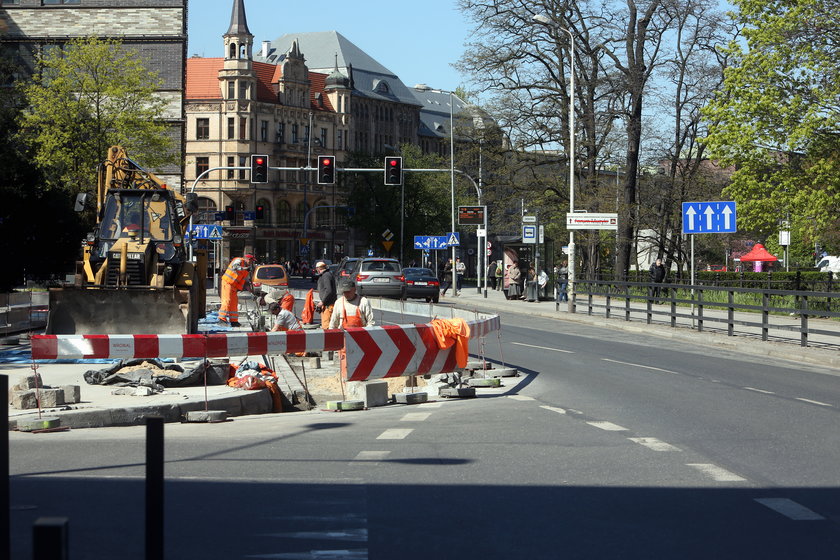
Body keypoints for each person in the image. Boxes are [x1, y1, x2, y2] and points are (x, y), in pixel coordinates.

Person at [219, 253, 254, 327]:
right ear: (248, 259)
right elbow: (235, 267)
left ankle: (234, 321)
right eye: (251, 260)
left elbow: (246, 283)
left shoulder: (246, 269)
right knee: (227, 301)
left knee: (234, 303)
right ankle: (222, 319)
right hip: (227, 283)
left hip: (234, 287)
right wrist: (245, 268)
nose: (251, 262)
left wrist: (252, 292)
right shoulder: (239, 260)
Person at [314, 261, 337, 329]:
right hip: (327, 305)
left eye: (316, 268)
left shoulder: (326, 275)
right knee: (327, 325)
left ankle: (328, 339)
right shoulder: (326, 275)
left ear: (318, 268)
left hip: (328, 305)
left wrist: (322, 302)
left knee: (326, 327)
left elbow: (329, 290)